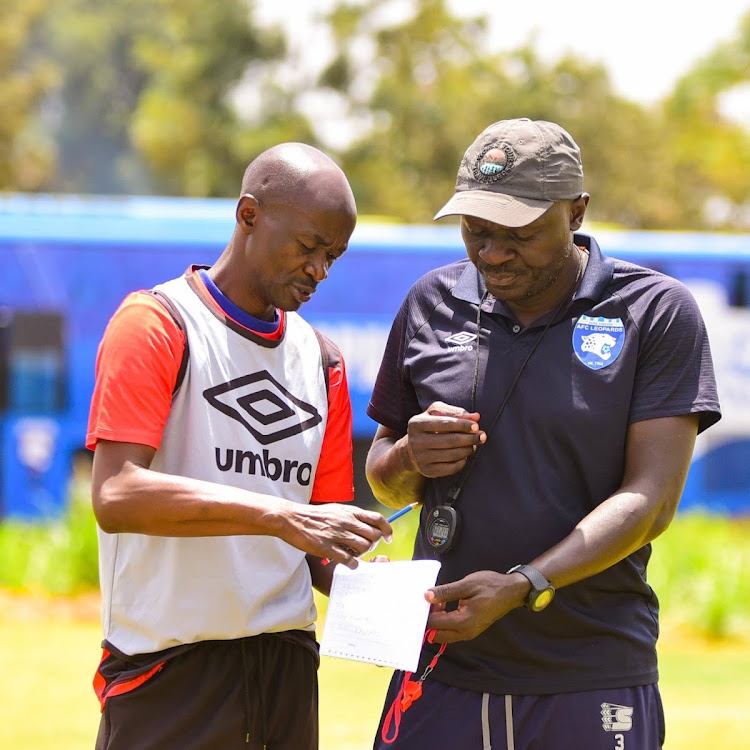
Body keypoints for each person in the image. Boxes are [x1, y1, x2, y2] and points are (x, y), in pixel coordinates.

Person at [365, 118, 720, 750]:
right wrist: (410, 460)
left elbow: (652, 498)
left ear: (576, 211)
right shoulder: (429, 302)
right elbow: (386, 481)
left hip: (589, 674)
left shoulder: (654, 311)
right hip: (437, 669)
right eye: (477, 232)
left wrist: (526, 583)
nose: (494, 253)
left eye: (521, 234)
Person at [86, 143, 392, 750]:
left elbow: (317, 546)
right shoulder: (158, 323)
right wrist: (280, 516)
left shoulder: (322, 360)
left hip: (284, 665)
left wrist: (393, 595)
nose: (319, 270)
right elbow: (116, 493)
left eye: (333, 256)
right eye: (308, 247)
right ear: (248, 214)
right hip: (168, 666)